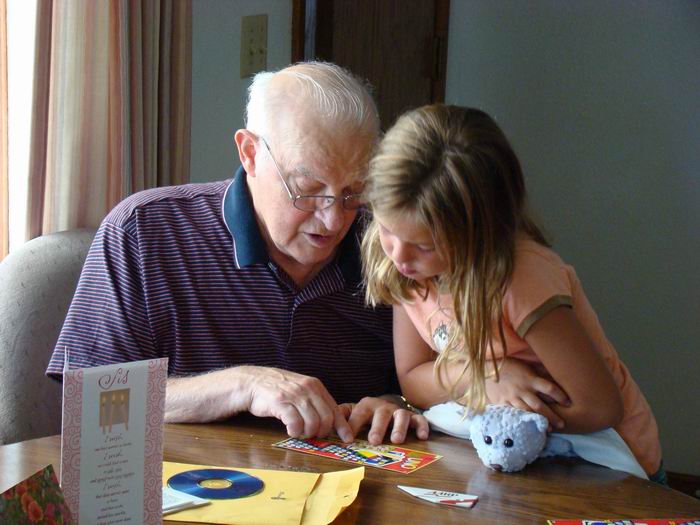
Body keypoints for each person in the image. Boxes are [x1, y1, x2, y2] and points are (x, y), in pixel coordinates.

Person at [46, 61, 428, 445]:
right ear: (249, 153)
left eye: (353, 191)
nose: (332, 220)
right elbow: (91, 404)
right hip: (190, 492)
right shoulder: (145, 233)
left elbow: (438, 385)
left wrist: (396, 404)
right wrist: (241, 385)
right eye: (307, 188)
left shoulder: (392, 246)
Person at [360, 104, 664, 481]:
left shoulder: (522, 278)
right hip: (506, 451)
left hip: (604, 458)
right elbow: (413, 379)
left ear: (481, 232)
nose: (399, 256)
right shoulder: (406, 267)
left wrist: (507, 416)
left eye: (425, 246)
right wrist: (484, 378)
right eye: (387, 229)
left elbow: (601, 407)